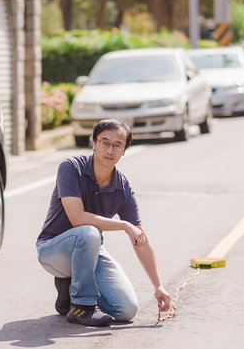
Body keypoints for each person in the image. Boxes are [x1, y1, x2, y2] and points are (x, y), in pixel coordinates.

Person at [36, 119, 172, 326]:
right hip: (52, 250)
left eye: (118, 145)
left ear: (124, 151)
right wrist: (125, 226)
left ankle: (70, 291)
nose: (110, 149)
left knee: (127, 309)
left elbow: (141, 239)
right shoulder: (71, 168)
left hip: (88, 249)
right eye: (105, 142)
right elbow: (77, 218)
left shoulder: (122, 187)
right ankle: (82, 306)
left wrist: (158, 286)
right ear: (94, 143)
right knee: (89, 233)